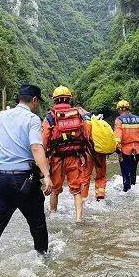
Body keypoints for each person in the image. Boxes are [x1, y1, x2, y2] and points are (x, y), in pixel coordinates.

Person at [0, 84, 53, 268]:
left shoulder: (2, 115)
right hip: (24, 180)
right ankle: (43, 260)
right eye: (38, 102)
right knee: (38, 225)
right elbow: (36, 147)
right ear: (34, 100)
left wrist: (2, 118)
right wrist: (47, 175)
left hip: (0, 179)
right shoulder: (32, 119)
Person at [42, 86, 90, 222]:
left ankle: (53, 215)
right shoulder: (78, 114)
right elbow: (86, 134)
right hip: (75, 157)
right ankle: (79, 219)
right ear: (69, 98)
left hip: (57, 158)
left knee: (55, 189)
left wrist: (43, 157)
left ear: (54, 100)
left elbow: (45, 139)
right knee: (77, 190)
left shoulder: (50, 116)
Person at [114, 100, 139, 192]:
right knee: (133, 170)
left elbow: (118, 134)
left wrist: (116, 146)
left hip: (125, 150)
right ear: (128, 108)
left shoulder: (119, 120)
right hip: (137, 150)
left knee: (125, 172)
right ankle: (134, 187)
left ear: (119, 110)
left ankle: (126, 190)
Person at [77, 107, 107, 201]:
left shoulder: (83, 123)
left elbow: (81, 139)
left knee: (85, 176)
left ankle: (84, 198)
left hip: (88, 153)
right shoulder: (98, 120)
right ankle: (100, 196)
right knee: (101, 175)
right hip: (101, 151)